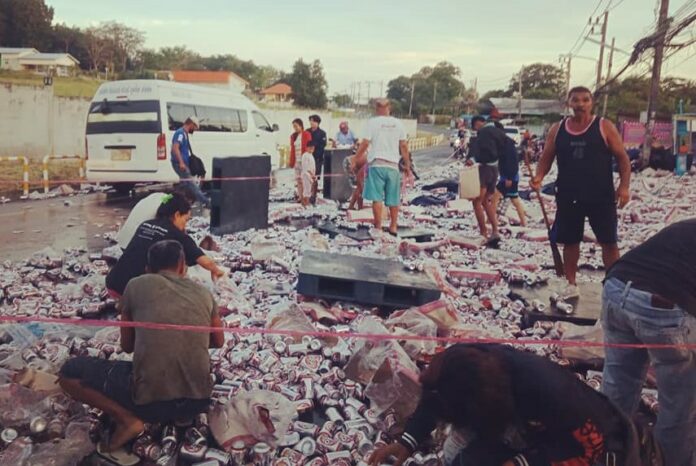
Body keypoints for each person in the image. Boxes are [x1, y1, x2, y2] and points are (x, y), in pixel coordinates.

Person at [59, 240, 224, 453]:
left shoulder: (136, 285)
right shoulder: (204, 293)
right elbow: (219, 342)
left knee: (69, 372)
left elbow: (127, 346)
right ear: (183, 267)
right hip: (198, 401)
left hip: (150, 405)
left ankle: (127, 420)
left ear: (148, 268)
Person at [369, 344, 638, 466]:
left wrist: (523, 462)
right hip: (528, 428)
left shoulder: (549, 392)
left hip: (597, 446)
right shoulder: (458, 362)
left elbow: (588, 445)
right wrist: (407, 440)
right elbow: (435, 394)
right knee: (465, 459)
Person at [601, 218, 696, 466]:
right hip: (662, 305)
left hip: (615, 288)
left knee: (617, 387)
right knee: (680, 401)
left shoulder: (686, 227)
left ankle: (608, 456)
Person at [531, 86, 631, 299]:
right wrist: (539, 177)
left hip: (601, 195)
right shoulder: (558, 129)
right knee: (570, 241)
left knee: (608, 242)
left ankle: (613, 285)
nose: (580, 104)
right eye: (576, 100)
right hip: (568, 195)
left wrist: (623, 187)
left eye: (585, 100)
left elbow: (623, 158)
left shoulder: (604, 126)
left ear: (591, 103)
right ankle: (570, 283)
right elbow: (546, 157)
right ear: (569, 103)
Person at [105, 192, 224, 298]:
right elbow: (205, 262)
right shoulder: (177, 234)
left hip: (112, 284)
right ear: (177, 215)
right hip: (132, 293)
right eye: (186, 220)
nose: (185, 226)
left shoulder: (146, 224)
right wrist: (216, 271)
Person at [353, 98, 411, 235]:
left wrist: (355, 159)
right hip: (393, 166)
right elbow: (403, 145)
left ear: (376, 108)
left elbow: (365, 144)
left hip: (377, 164)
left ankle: (378, 226)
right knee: (393, 198)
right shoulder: (398, 124)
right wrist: (407, 164)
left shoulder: (372, 123)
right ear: (389, 107)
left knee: (377, 198)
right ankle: (393, 226)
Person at [115, 188, 195, 250]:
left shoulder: (159, 196)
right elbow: (172, 230)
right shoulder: (168, 208)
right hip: (133, 246)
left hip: (123, 241)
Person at [468, 115, 506, 245]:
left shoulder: (484, 132)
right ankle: (495, 230)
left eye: (475, 126)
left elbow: (483, 152)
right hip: (495, 170)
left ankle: (483, 232)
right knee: (486, 201)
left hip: (485, 169)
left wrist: (473, 159)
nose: (476, 129)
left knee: (477, 201)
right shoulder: (498, 132)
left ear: (478, 123)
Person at [170, 116, 210, 208]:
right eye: (195, 127)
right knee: (191, 184)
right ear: (191, 124)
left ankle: (176, 203)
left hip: (183, 164)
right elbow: (175, 148)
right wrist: (181, 162)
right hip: (180, 164)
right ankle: (206, 202)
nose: (195, 130)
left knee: (183, 186)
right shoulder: (180, 133)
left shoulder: (184, 133)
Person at [494, 137, 527, 227]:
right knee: (514, 200)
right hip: (509, 178)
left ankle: (491, 221)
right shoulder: (509, 146)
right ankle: (523, 222)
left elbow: (512, 164)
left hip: (508, 178)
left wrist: (509, 178)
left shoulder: (508, 147)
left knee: (495, 199)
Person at [290, 118, 312, 202]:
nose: (295, 128)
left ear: (301, 125)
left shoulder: (307, 134)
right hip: (297, 161)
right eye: (293, 127)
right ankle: (300, 197)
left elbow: (309, 147)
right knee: (298, 180)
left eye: (296, 126)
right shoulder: (293, 136)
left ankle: (306, 198)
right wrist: (291, 161)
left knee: (305, 180)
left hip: (304, 160)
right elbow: (292, 149)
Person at [308, 114, 327, 203]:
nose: (311, 123)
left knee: (315, 177)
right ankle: (307, 194)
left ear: (317, 123)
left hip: (317, 158)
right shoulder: (307, 131)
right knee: (306, 176)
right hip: (307, 157)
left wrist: (316, 154)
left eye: (313, 121)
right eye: (310, 121)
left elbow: (322, 146)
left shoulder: (322, 133)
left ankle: (313, 195)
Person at [300, 141, 316, 207]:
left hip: (310, 175)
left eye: (313, 148)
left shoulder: (311, 155)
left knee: (309, 191)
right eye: (310, 148)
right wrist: (312, 174)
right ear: (307, 148)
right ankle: (305, 204)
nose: (311, 149)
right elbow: (306, 167)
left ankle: (308, 204)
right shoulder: (305, 155)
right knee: (306, 191)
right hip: (306, 175)